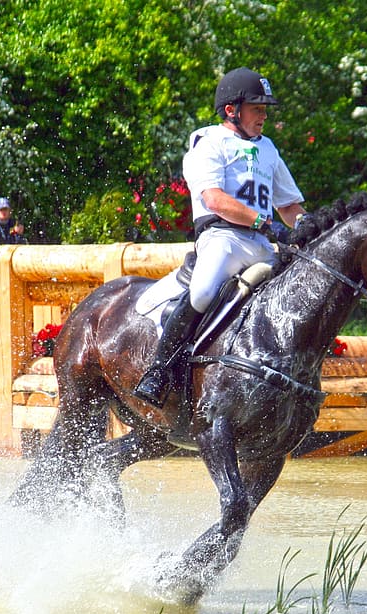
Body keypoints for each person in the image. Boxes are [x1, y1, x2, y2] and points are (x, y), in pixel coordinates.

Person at [134, 66, 307, 407]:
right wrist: (262, 220)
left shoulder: (268, 149)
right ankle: (159, 371)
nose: (263, 116)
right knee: (201, 293)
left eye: (265, 109)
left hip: (259, 244)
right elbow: (213, 199)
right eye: (257, 108)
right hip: (222, 239)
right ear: (232, 110)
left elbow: (289, 205)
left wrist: (311, 229)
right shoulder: (208, 142)